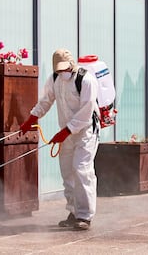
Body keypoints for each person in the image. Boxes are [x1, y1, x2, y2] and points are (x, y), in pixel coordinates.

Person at [20, 48, 100, 230]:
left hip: (86, 131)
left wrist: (66, 131)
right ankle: (74, 211)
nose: (62, 72)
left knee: (82, 169)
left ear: (71, 64)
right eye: (59, 69)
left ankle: (85, 216)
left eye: (65, 68)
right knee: (67, 172)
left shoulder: (86, 79)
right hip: (66, 132)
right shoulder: (55, 79)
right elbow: (46, 100)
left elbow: (86, 111)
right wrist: (31, 119)